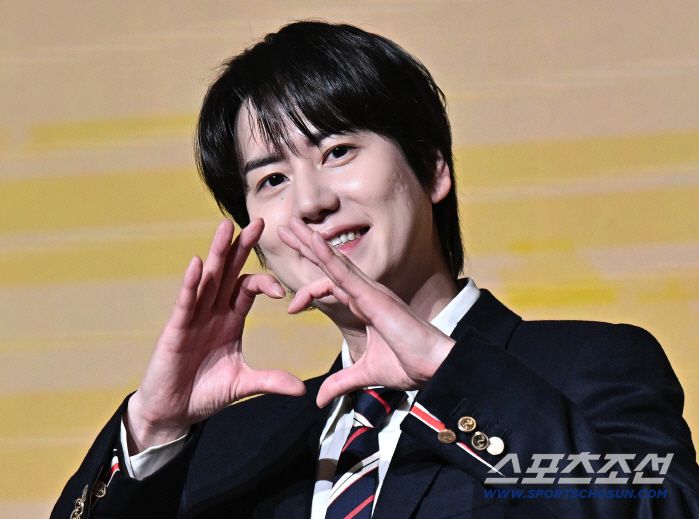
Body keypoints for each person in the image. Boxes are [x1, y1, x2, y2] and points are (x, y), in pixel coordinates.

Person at [53, 21, 699, 519]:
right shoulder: (236, 444)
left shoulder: (585, 367)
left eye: (337, 151)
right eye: (272, 178)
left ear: (433, 168)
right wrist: (154, 427)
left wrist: (451, 376)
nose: (311, 201)